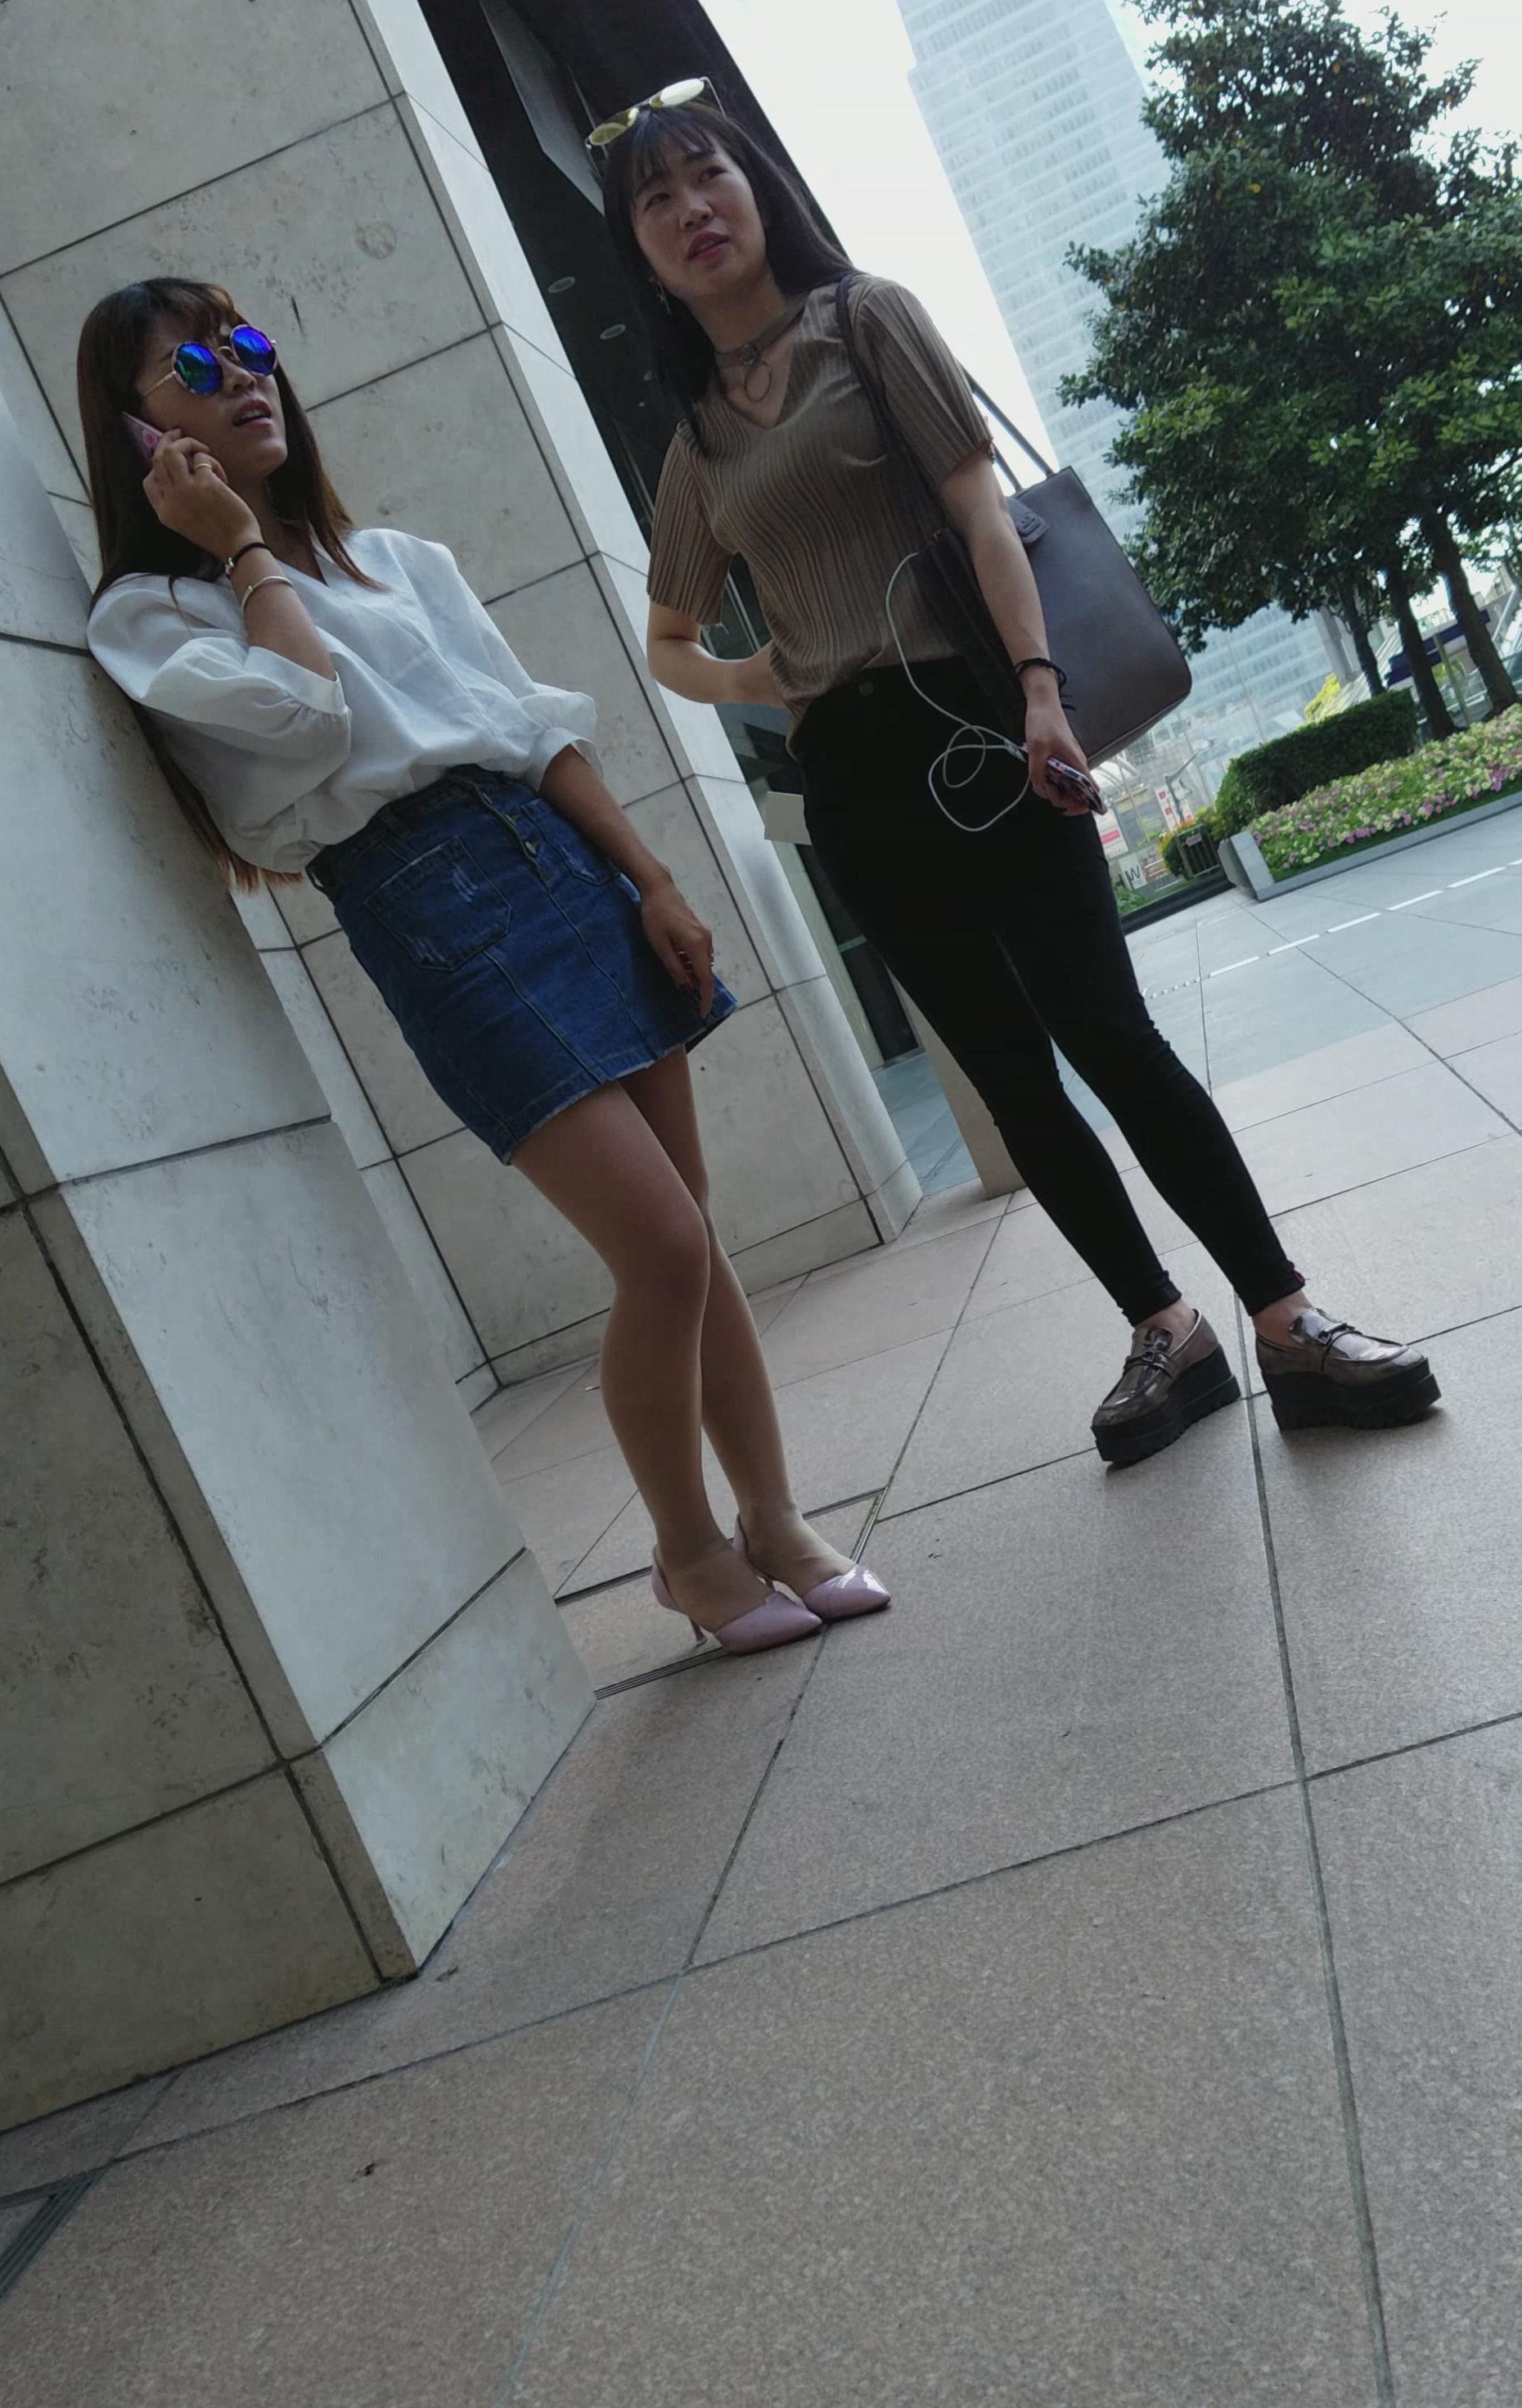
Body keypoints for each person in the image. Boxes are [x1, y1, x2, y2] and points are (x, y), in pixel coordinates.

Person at [592, 88, 1439, 1464]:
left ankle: (1289, 1322)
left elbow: (983, 513)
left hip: (981, 728)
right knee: (1009, 1076)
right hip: (851, 781)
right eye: (656, 199)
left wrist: (1043, 693)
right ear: (637, 247)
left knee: (1110, 1034)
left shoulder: (866, 318)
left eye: (709, 176)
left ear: (757, 189)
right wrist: (776, 678)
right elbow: (669, 642)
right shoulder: (696, 440)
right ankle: (1165, 1330)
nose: (692, 210)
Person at [77, 276, 888, 1654]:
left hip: (559, 867)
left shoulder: (399, 560)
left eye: (250, 344)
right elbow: (307, 713)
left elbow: (529, 731)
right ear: (136, 430)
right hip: (424, 905)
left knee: (694, 1233)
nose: (244, 374)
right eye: (195, 368)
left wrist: (651, 877)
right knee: (661, 1246)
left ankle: (778, 1521)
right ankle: (689, 1554)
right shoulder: (151, 616)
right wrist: (241, 548)